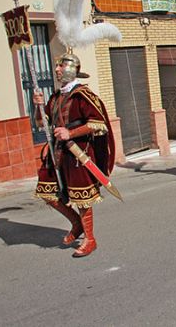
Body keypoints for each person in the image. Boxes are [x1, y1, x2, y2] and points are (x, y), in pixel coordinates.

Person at [33, 53, 115, 258]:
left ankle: (90, 239)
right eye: (57, 66)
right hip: (57, 152)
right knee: (46, 191)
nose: (57, 70)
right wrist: (37, 105)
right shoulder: (55, 97)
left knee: (82, 198)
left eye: (61, 66)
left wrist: (70, 132)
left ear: (72, 69)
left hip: (78, 153)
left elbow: (98, 124)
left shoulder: (84, 95)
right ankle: (75, 222)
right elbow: (41, 122)